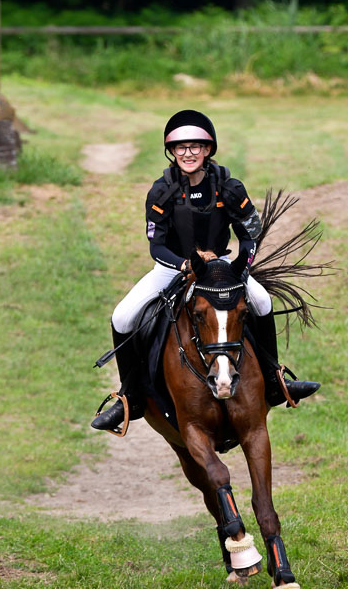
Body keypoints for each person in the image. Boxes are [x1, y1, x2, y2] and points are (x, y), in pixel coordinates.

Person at [92, 110, 319, 431]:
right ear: (171, 151)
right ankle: (130, 397)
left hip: (223, 267)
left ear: (208, 150)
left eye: (195, 147)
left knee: (262, 301)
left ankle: (274, 380)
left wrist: (242, 268)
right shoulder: (160, 192)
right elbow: (156, 246)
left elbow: (250, 235)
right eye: (181, 147)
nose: (188, 153)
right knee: (122, 316)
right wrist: (185, 264)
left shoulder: (230, 187)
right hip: (172, 267)